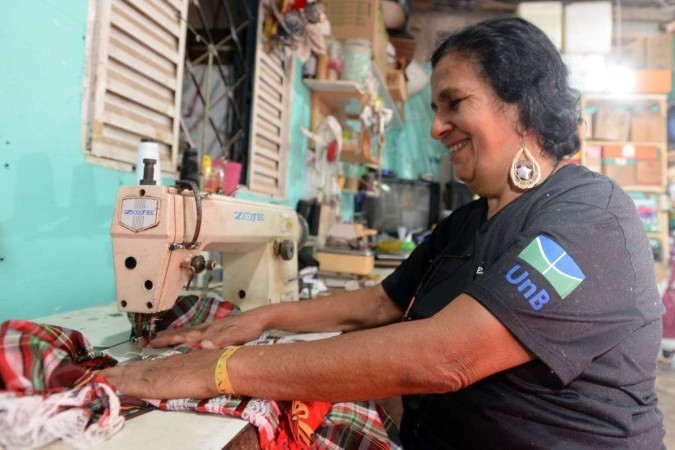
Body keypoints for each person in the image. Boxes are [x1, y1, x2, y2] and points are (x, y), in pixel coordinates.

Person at [101, 18, 666, 448]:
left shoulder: (592, 221)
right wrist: (260, 320)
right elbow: (379, 304)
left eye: (455, 104)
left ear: (521, 103)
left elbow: (445, 357)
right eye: (435, 108)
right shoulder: (470, 220)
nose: (438, 127)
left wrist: (219, 371)